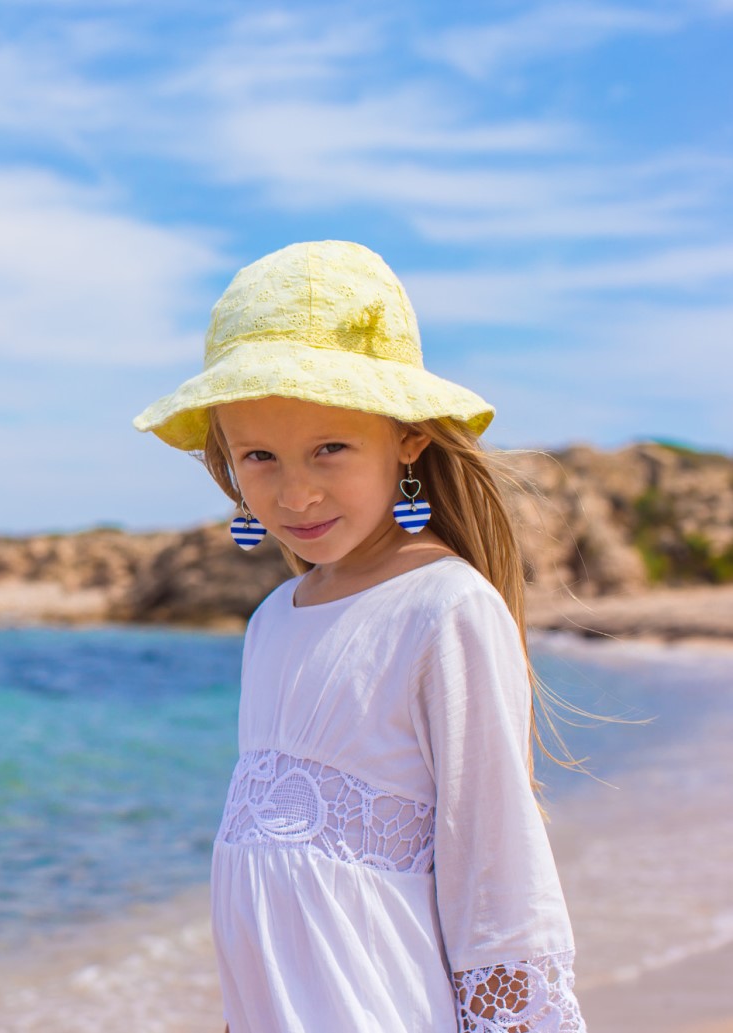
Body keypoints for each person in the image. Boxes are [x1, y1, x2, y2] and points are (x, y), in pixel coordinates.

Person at [131, 240, 588, 1032]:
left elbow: (499, 880)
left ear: (408, 436)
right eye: (259, 456)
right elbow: (267, 885)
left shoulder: (445, 607)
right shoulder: (272, 621)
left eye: (330, 449)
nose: (295, 492)